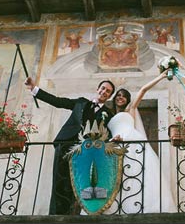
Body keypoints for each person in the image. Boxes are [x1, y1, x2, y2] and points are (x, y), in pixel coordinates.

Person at [23, 77, 116, 215]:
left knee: (81, 181)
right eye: (103, 88)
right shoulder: (81, 102)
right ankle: (57, 215)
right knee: (60, 180)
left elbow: (108, 134)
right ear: (97, 89)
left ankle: (75, 214)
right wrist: (34, 88)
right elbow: (58, 102)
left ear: (109, 96)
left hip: (87, 152)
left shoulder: (108, 114)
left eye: (108, 91)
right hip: (66, 144)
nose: (104, 92)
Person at [102, 70, 176, 214]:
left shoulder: (131, 109)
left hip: (131, 141)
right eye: (118, 95)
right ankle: (116, 206)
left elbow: (143, 90)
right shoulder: (109, 115)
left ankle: (138, 206)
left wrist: (161, 76)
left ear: (128, 100)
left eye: (124, 96)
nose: (120, 98)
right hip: (116, 144)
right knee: (117, 176)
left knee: (136, 172)